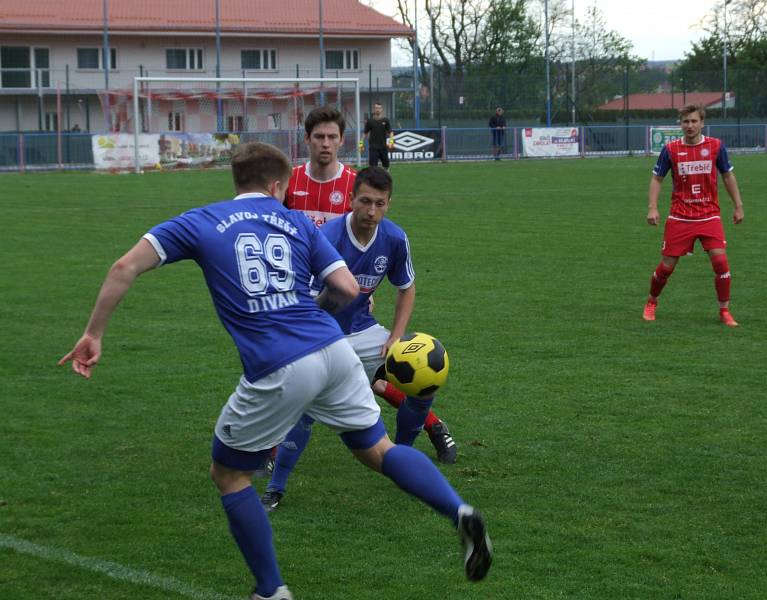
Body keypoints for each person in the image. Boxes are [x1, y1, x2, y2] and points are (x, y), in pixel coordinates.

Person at [59, 142, 492, 600]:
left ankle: (270, 589)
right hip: (333, 348)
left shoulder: (201, 219)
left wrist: (94, 333)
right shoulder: (297, 221)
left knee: (229, 475)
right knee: (377, 450)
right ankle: (459, 511)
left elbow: (125, 266)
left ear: (238, 180)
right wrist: (309, 316)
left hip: (279, 363)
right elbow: (346, 288)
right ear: (276, 184)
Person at [263, 166, 454, 512]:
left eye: (379, 203)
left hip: (364, 331)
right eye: (365, 201)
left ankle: (403, 458)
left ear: (388, 204)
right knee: (308, 406)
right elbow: (301, 301)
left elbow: (407, 288)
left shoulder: (394, 239)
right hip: (319, 333)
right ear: (351, 199)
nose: (371, 211)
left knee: (424, 381)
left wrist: (396, 338)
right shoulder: (326, 237)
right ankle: (276, 487)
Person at [282, 106, 457, 464]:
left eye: (333, 137)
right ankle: (272, 457)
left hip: (347, 305)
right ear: (307, 140)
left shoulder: (354, 182)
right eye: (319, 137)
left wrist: (357, 290)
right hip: (301, 295)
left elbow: (370, 245)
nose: (326, 144)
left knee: (372, 374)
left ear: (341, 141)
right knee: (296, 380)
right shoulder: (291, 182)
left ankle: (428, 427)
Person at [643, 104, 744, 326]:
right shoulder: (670, 150)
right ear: (680, 124)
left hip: (709, 215)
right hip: (680, 216)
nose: (690, 125)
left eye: (694, 121)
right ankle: (652, 302)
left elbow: (727, 176)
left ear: (702, 123)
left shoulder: (715, 146)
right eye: (685, 122)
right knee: (667, 267)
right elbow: (657, 178)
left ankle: (724, 311)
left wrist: (738, 205)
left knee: (721, 263)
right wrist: (652, 207)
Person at [361, 102, 393, 169]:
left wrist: (391, 141)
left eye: (379, 108)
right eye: (376, 108)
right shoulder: (370, 121)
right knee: (372, 167)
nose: (377, 109)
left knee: (386, 166)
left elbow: (390, 132)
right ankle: (373, 179)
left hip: (383, 147)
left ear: (381, 109)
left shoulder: (386, 120)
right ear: (374, 109)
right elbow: (365, 133)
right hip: (373, 148)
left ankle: (385, 178)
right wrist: (361, 143)